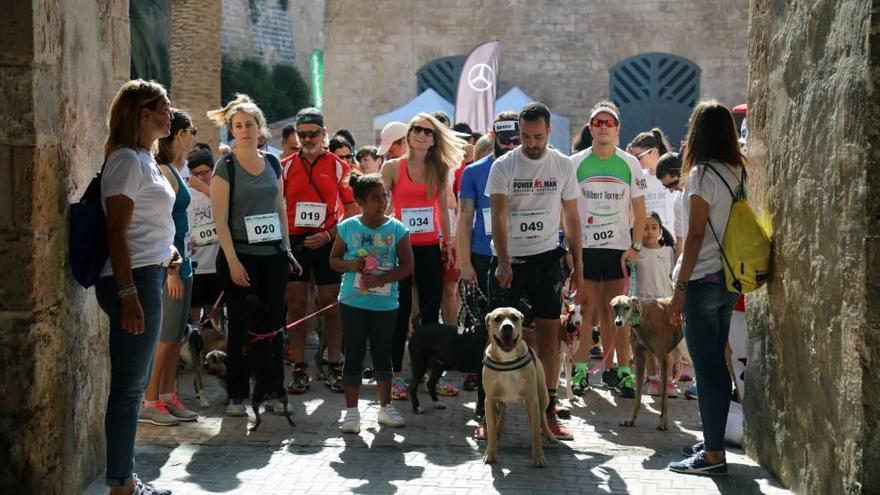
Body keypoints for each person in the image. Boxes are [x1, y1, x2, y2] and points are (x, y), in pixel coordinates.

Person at [95, 79, 178, 495]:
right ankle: (122, 483)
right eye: (164, 107)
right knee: (129, 388)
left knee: (133, 383)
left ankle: (124, 478)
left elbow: (146, 224)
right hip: (134, 281)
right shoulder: (127, 160)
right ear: (144, 115)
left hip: (150, 272)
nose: (170, 114)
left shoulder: (143, 158)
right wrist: (128, 296)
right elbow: (116, 231)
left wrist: (168, 251)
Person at [486, 102, 583, 440]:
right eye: (525, 137)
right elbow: (498, 215)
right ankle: (489, 412)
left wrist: (578, 264)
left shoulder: (562, 164)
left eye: (537, 136)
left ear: (549, 132)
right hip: (511, 261)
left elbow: (571, 216)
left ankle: (548, 410)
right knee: (497, 340)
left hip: (547, 260)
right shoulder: (503, 165)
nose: (531, 143)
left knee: (549, 341)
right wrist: (502, 259)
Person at [207, 94, 300, 417]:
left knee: (274, 326)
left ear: (260, 128)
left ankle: (273, 389)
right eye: (238, 125)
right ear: (232, 130)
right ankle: (237, 393)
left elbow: (280, 208)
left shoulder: (273, 162)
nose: (244, 130)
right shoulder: (226, 165)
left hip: (272, 255)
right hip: (240, 256)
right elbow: (220, 219)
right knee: (243, 326)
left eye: (249, 124)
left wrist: (287, 249)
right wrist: (232, 262)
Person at [667, 100, 746, 476]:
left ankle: (713, 455)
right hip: (729, 279)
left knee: (707, 366)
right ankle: (711, 438)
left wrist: (680, 287)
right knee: (716, 362)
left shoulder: (701, 174)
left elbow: (696, 233)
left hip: (701, 280)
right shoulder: (737, 171)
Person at [381, 113, 464, 400]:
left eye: (428, 132)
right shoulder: (392, 167)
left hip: (430, 247)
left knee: (430, 316)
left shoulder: (438, 168)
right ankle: (395, 376)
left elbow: (442, 208)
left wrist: (449, 243)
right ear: (408, 134)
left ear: (434, 140)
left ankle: (431, 376)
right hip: (399, 248)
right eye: (417, 129)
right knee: (399, 311)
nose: (421, 135)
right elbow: (383, 206)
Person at [569, 101, 647, 399]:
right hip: (586, 249)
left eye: (608, 123)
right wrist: (571, 249)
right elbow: (568, 211)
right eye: (597, 123)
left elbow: (640, 209)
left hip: (617, 249)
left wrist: (636, 245)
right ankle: (580, 371)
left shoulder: (630, 163)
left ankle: (623, 372)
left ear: (617, 129)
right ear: (590, 128)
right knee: (585, 312)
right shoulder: (575, 163)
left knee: (618, 314)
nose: (603, 127)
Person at [329, 171, 414, 433]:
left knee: (382, 354)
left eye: (384, 197)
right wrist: (352, 265)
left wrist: (383, 279)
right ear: (360, 202)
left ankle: (385, 407)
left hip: (386, 304)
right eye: (375, 198)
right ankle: (351, 412)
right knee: (353, 353)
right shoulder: (348, 227)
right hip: (353, 302)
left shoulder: (397, 229)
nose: (382, 203)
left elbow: (408, 265)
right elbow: (333, 260)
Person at [283, 107, 357, 395]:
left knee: (331, 304)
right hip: (296, 241)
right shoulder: (286, 165)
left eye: (313, 133)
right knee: (297, 306)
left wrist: (329, 234)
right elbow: (278, 205)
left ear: (325, 134)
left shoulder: (339, 166)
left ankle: (334, 363)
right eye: (302, 135)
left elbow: (351, 209)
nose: (308, 139)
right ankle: (299, 367)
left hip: (327, 240)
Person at [140, 109, 199, 427]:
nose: (194, 138)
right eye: (192, 131)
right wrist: (173, 270)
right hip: (171, 266)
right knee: (165, 336)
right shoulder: (163, 170)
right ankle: (149, 400)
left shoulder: (175, 170)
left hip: (184, 261)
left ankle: (167, 395)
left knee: (177, 335)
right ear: (180, 134)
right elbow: (161, 221)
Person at [457, 112, 521, 394]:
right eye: (504, 140)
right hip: (483, 253)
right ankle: (478, 371)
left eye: (515, 140)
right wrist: (464, 261)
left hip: (521, 252)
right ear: (493, 137)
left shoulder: (531, 166)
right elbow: (464, 216)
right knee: (484, 319)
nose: (509, 146)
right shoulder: (473, 171)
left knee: (521, 319)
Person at [635, 212, 678, 397]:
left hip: (664, 306)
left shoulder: (669, 252)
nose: (650, 231)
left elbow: (674, 278)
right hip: (643, 305)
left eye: (654, 227)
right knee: (648, 346)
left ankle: (667, 382)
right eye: (645, 227)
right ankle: (653, 379)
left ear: (661, 229)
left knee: (666, 347)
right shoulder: (636, 252)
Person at [185, 147, 222, 326]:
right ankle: (196, 344)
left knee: (215, 314)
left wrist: (205, 189)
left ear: (213, 170)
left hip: (217, 263)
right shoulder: (186, 195)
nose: (200, 178)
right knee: (194, 312)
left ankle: (216, 347)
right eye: (195, 174)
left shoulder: (222, 190)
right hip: (196, 265)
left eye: (205, 173)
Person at [628, 129, 676, 236]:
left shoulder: (674, 174)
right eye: (633, 157)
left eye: (639, 157)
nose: (635, 161)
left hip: (671, 239)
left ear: (654, 151)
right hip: (647, 240)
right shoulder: (638, 178)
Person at [656, 152, 684, 256]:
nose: (672, 190)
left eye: (673, 184)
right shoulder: (678, 200)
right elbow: (679, 239)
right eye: (667, 187)